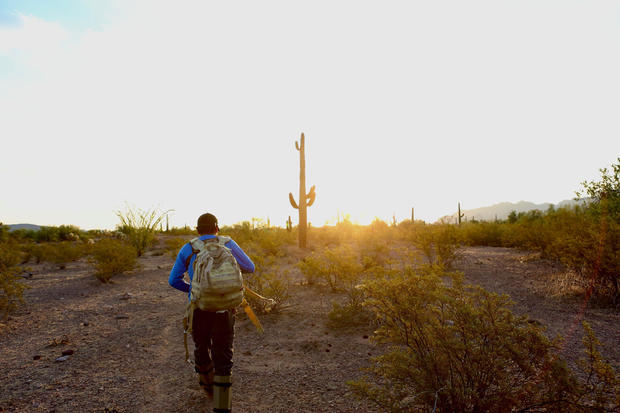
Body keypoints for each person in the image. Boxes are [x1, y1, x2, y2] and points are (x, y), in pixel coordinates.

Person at [169, 213, 255, 412]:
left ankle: (208, 389)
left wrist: (193, 290)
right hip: (225, 308)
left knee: (201, 347)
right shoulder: (229, 244)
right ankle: (222, 406)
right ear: (217, 228)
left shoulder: (188, 248)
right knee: (223, 354)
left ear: (198, 230)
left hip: (199, 308)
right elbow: (250, 267)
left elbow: (173, 280)